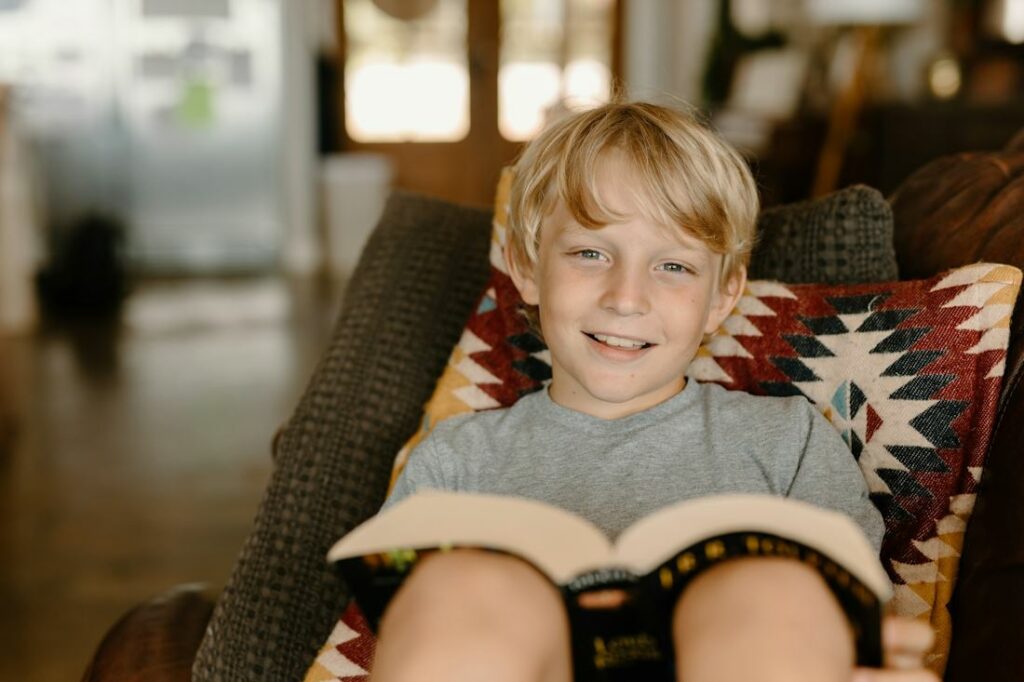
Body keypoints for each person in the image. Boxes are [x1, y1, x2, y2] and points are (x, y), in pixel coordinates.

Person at [370, 101, 937, 682]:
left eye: (672, 266)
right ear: (526, 266)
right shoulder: (457, 458)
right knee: (454, 588)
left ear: (723, 296)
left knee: (776, 593)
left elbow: (855, 617)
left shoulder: (786, 441)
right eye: (590, 253)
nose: (626, 297)